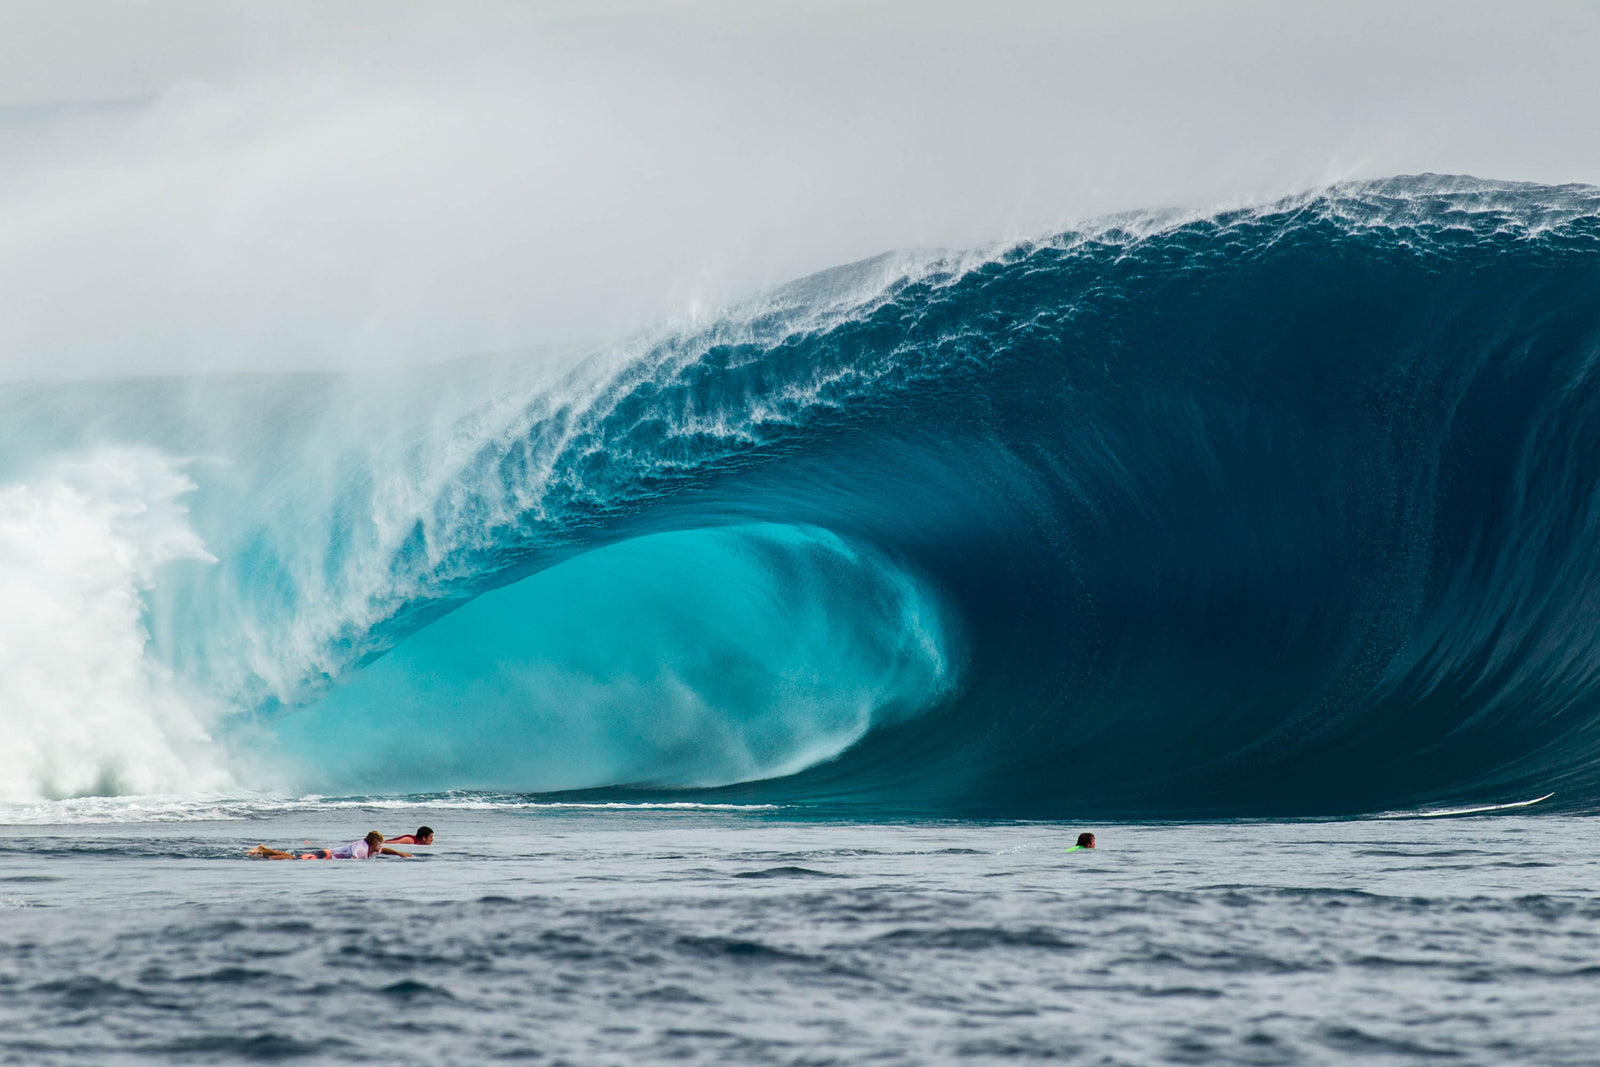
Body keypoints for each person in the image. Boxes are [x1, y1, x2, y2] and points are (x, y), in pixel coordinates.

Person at [248, 831, 412, 860]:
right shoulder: (361, 848)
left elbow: (385, 851)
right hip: (324, 855)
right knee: (293, 858)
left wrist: (400, 853)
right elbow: (354, 859)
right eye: (380, 843)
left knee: (294, 858)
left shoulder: (371, 848)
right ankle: (264, 853)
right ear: (374, 842)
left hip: (326, 856)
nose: (381, 847)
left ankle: (263, 854)